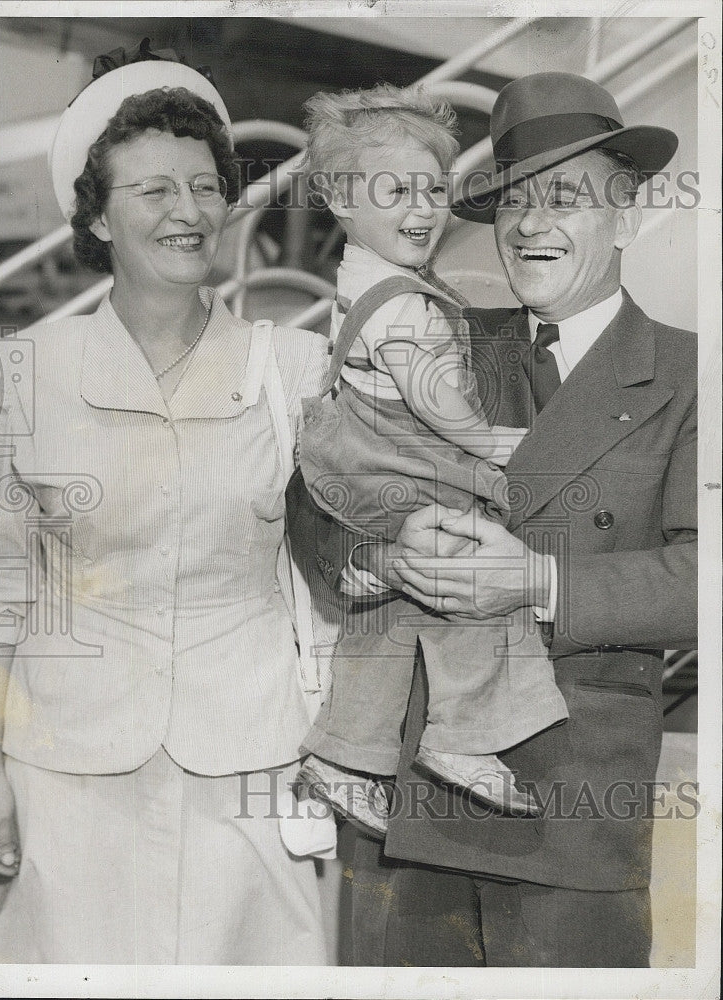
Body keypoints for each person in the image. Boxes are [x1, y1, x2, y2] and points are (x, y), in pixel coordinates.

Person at [287, 71, 697, 967]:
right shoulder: (434, 340)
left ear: (626, 216)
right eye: (513, 202)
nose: (530, 225)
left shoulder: (688, 374)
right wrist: (382, 561)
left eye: (566, 198)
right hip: (405, 823)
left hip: (576, 824)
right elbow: (312, 513)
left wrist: (540, 580)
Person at [0, 46, 330, 964]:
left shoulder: (292, 370)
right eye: (152, 192)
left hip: (253, 758)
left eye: (205, 186)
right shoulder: (23, 375)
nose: (189, 212)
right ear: (96, 216)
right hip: (68, 762)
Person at [295, 84, 568, 830]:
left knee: (395, 612)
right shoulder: (406, 305)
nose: (422, 210)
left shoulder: (363, 279)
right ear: (339, 198)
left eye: (435, 190)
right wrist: (504, 446)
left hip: (366, 470)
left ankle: (344, 753)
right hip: (401, 462)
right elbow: (441, 405)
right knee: (474, 588)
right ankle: (464, 735)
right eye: (397, 192)